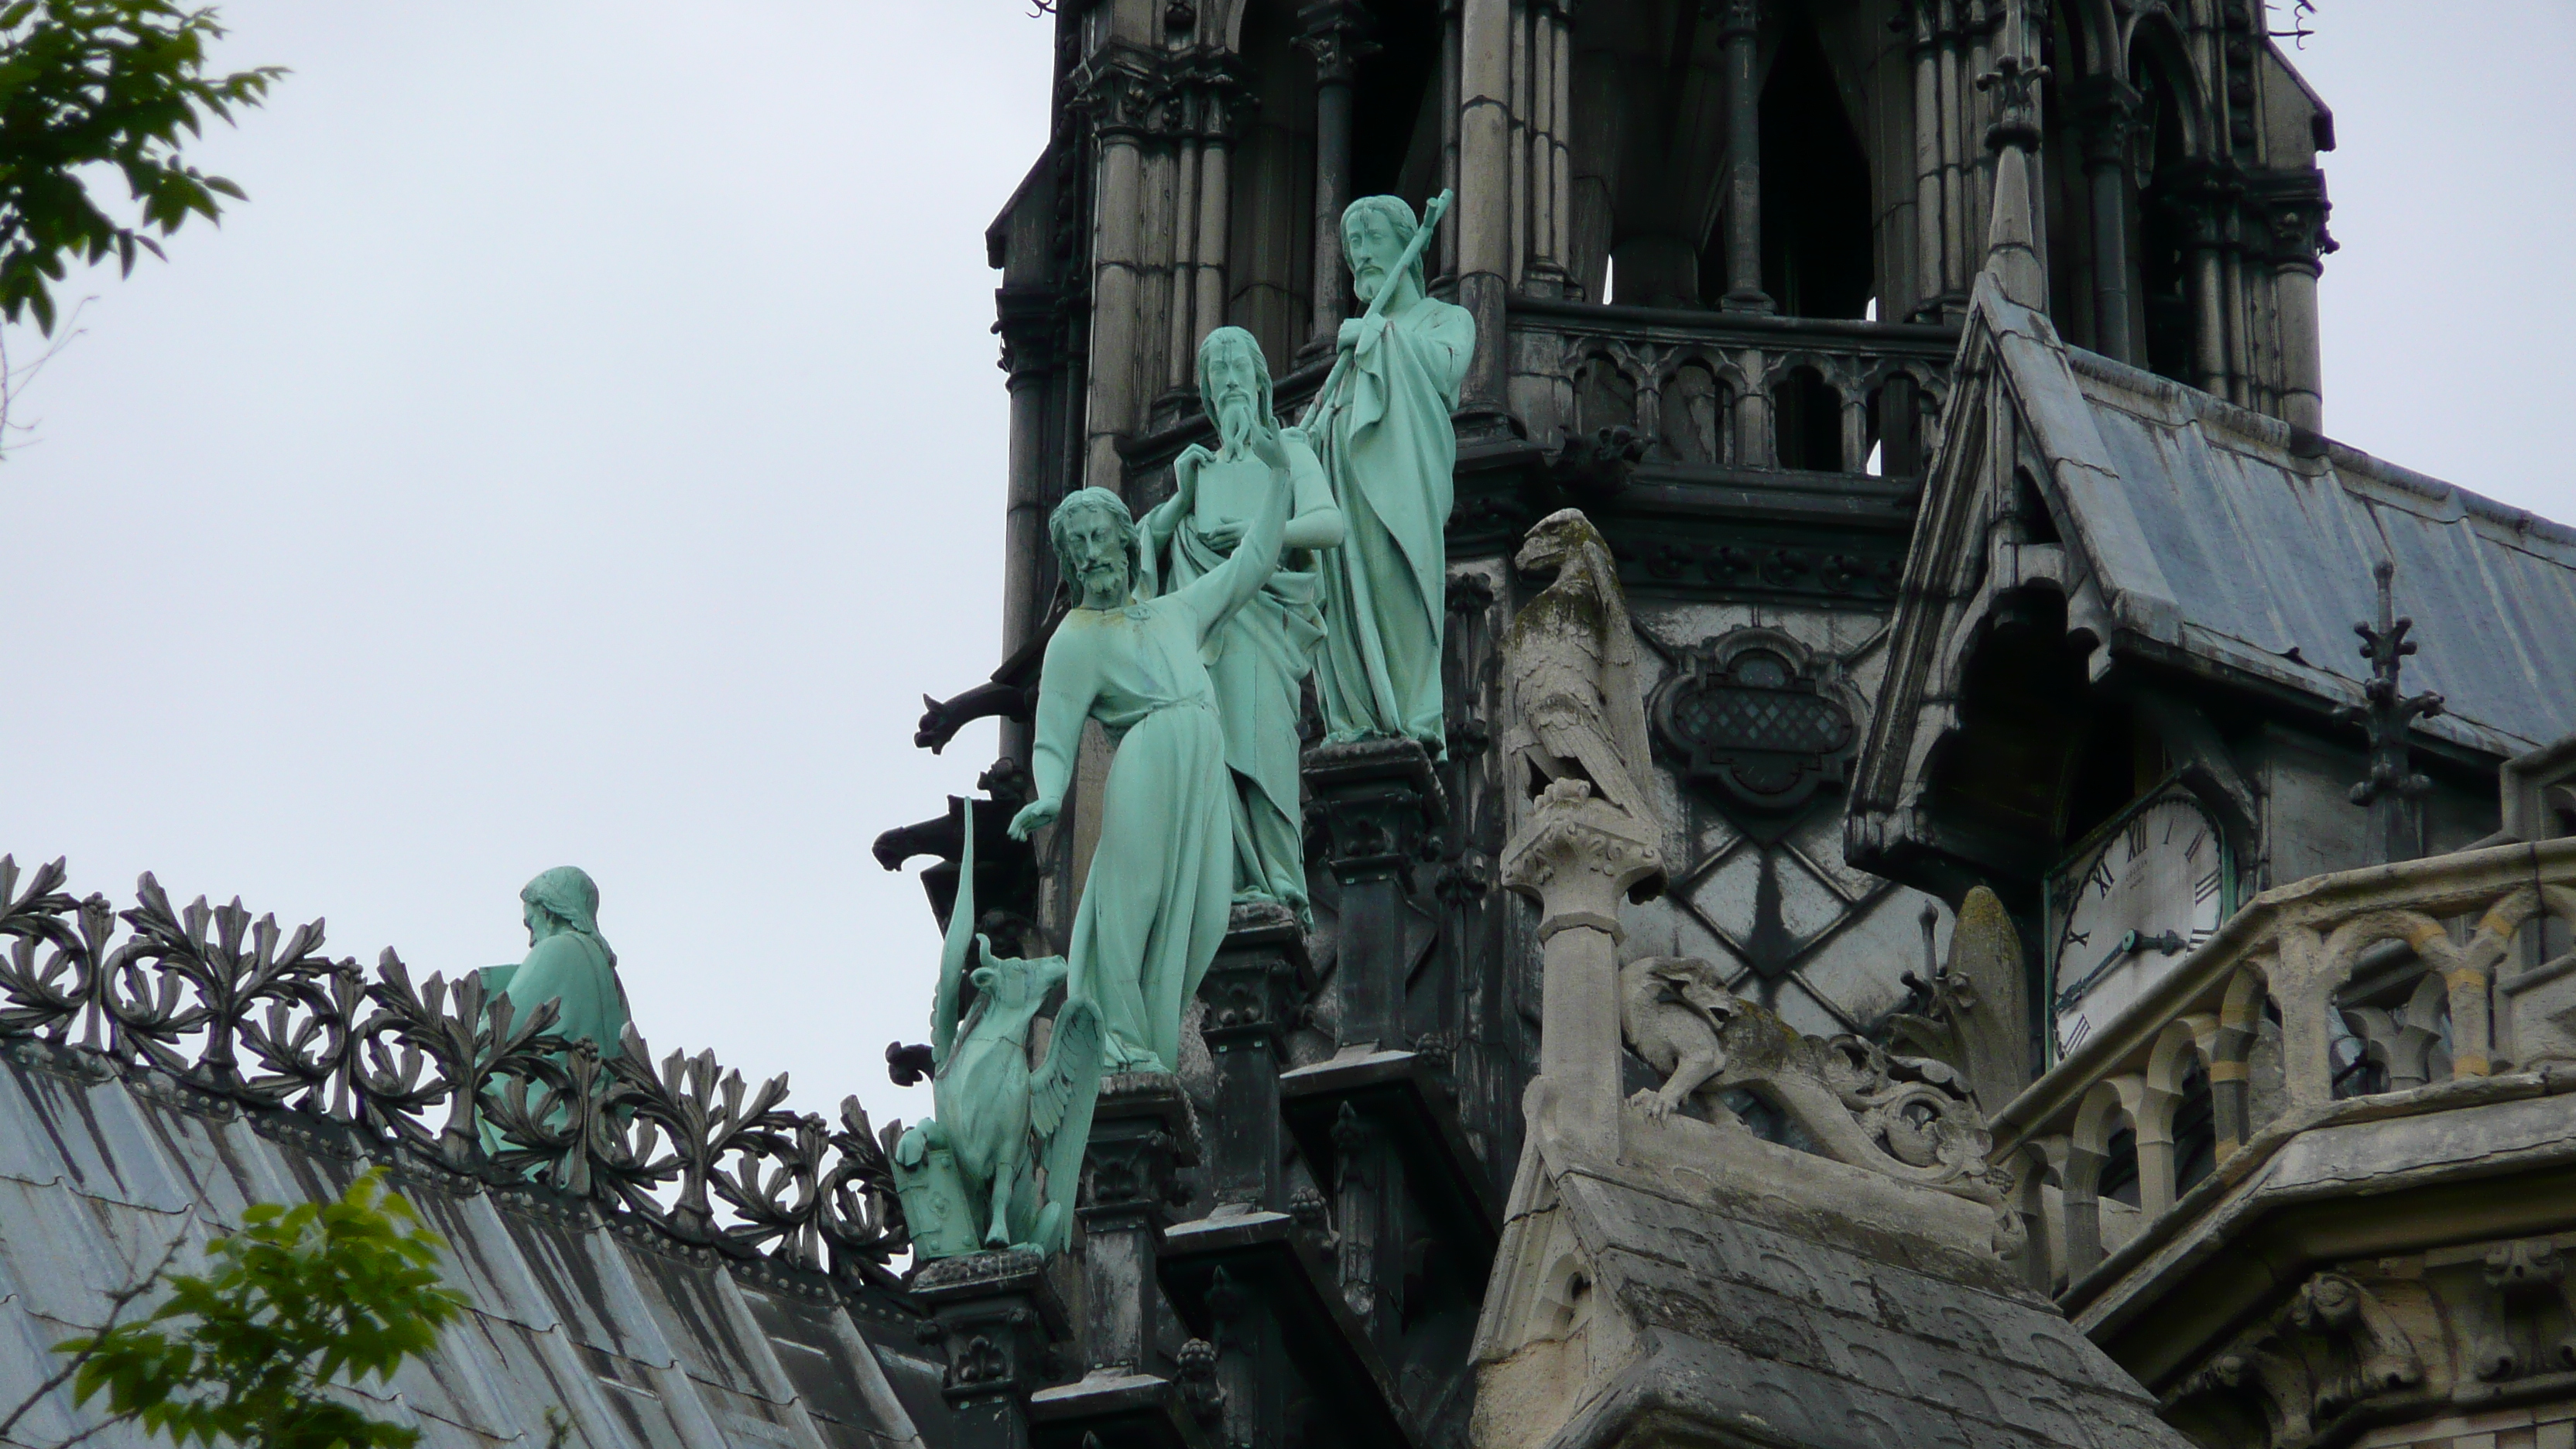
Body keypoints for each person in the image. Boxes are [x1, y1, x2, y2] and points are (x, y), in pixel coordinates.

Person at [1008, 450, 1295, 1074]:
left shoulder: (1174, 612)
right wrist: (1050, 796)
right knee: (1131, 897)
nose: (1089, 551)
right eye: (1076, 543)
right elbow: (1053, 738)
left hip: (1202, 758)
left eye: (1098, 535)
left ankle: (1152, 1035)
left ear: (1124, 539)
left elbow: (1251, 564)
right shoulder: (1075, 639)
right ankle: (1118, 1039)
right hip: (1146, 757)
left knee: (1211, 911)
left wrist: (1280, 479)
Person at [1142, 326, 1343, 923]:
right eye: (1216, 371)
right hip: (1208, 643)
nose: (1228, 379)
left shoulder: (1289, 449)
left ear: (1260, 381)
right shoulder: (1197, 470)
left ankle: (1279, 883)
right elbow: (1139, 559)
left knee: (1265, 752)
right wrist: (1179, 500)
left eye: (1238, 366)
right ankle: (1226, 882)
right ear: (1205, 392)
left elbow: (1328, 524)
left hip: (1268, 629)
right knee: (1211, 761)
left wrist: (1265, 537)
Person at [1310, 194, 1476, 753]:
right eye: (1353, 244)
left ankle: (1412, 715)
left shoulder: (1444, 318)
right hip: (1348, 497)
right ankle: (1361, 710)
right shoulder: (1352, 347)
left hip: (1404, 494)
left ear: (1408, 243)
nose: (1360, 255)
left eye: (1372, 238)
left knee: (1395, 589)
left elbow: (1449, 366)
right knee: (1348, 609)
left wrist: (1382, 337)